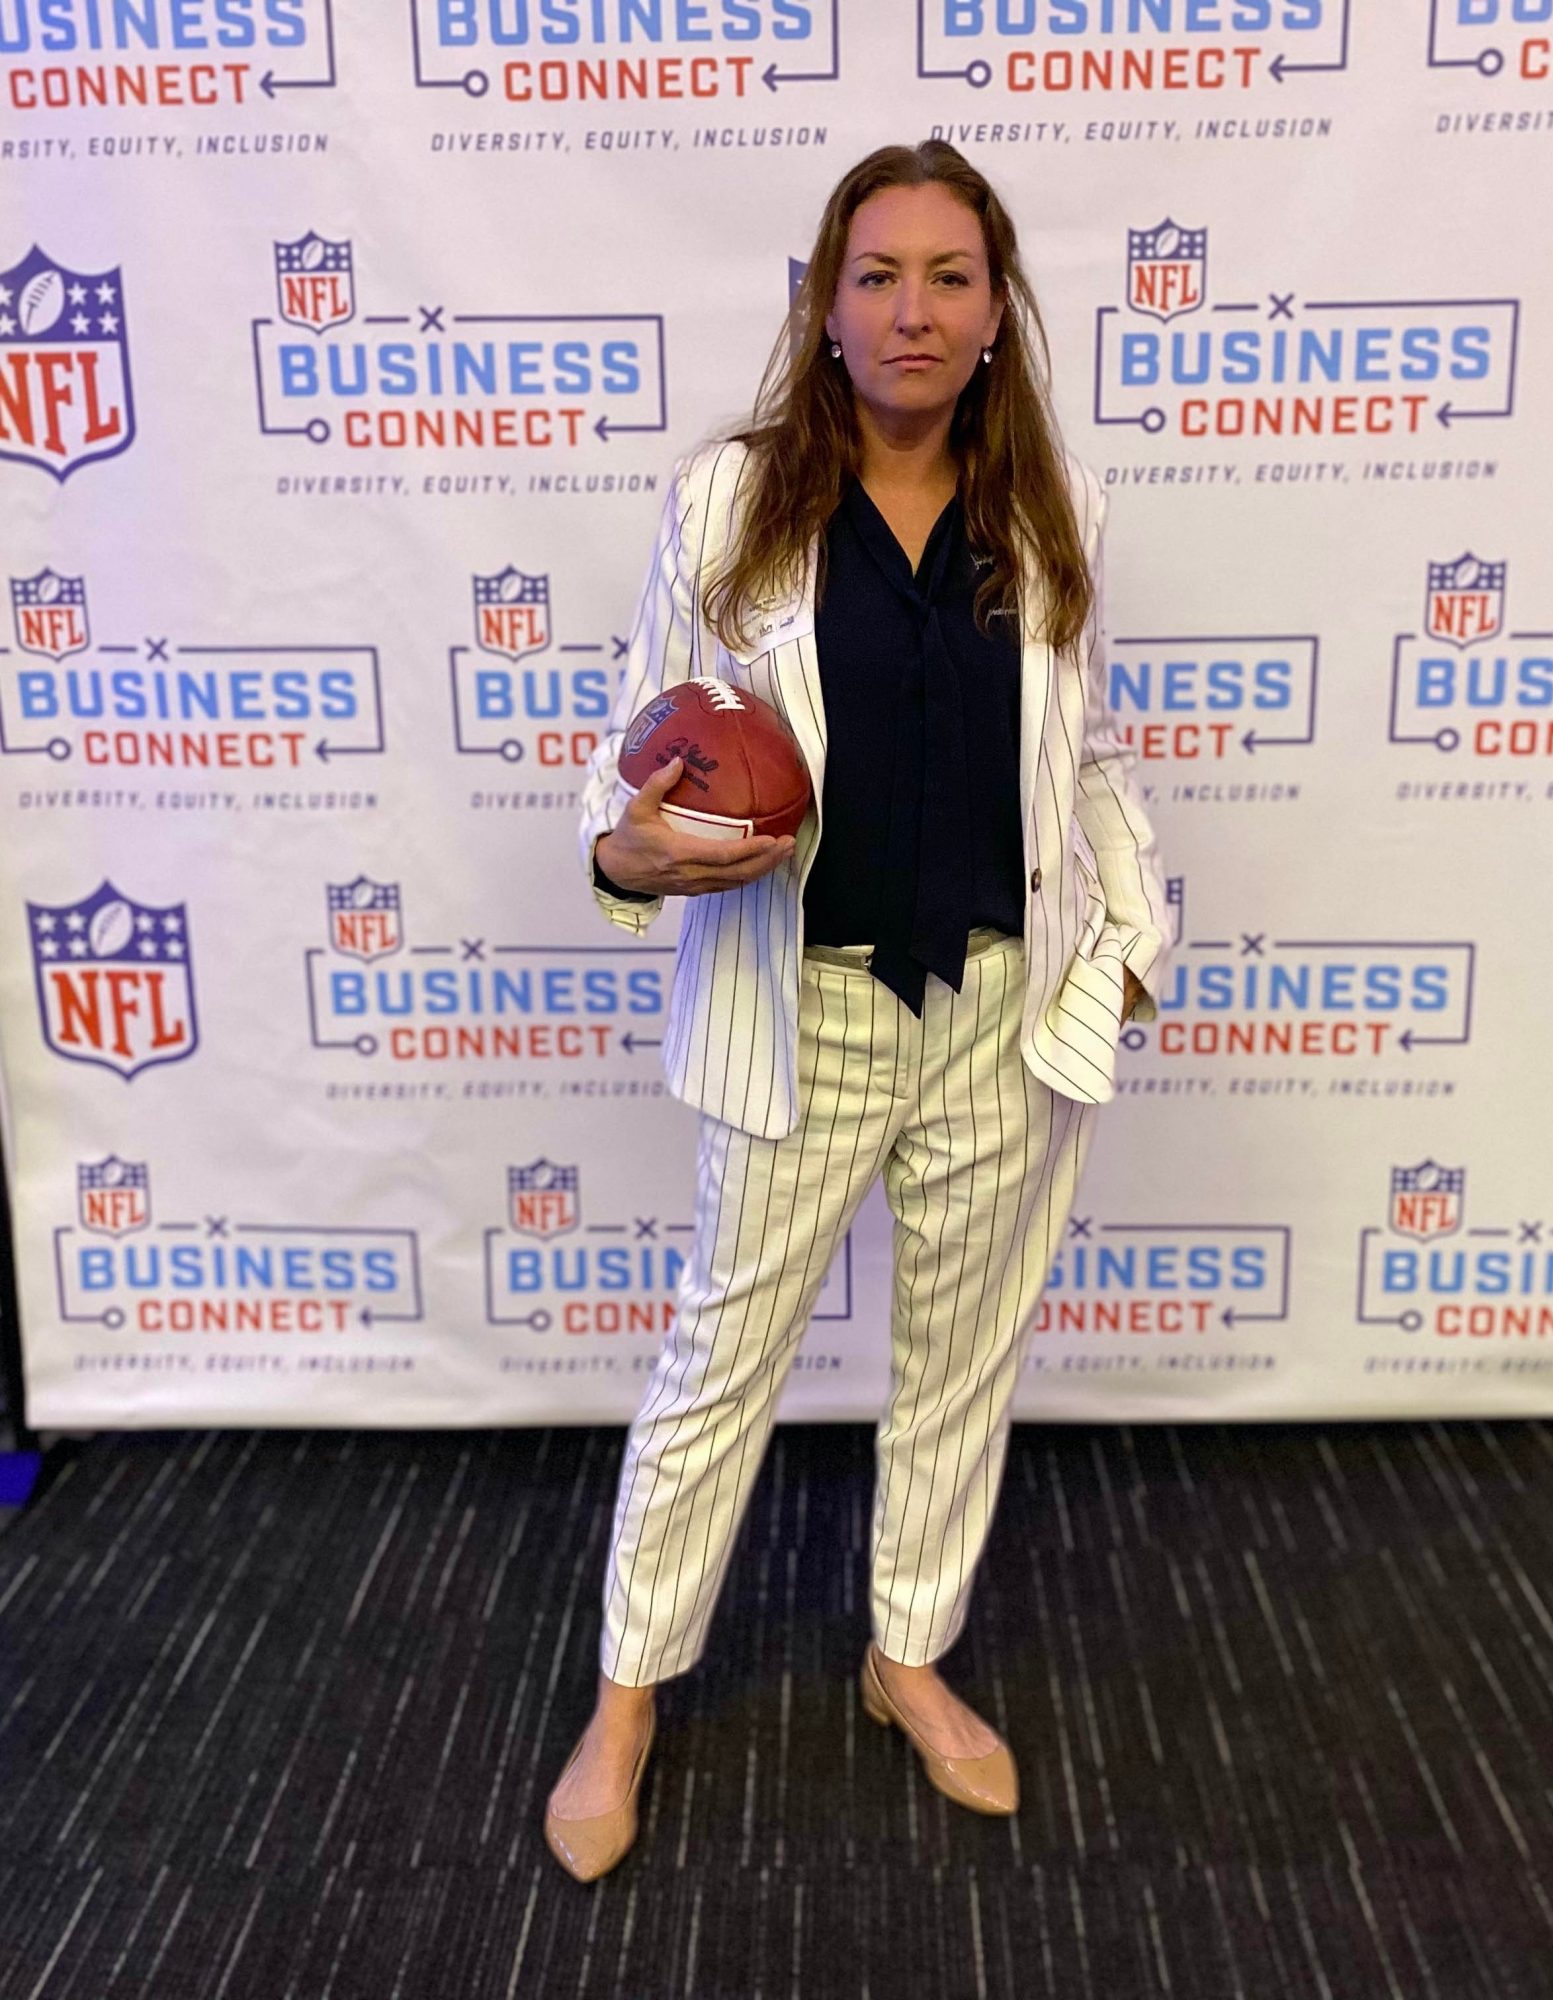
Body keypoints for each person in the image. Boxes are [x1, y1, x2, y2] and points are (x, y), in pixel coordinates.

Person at [544, 138, 1172, 1884]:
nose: (912, 309)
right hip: (803, 1007)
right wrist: (625, 853)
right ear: (825, 306)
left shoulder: (1055, 507)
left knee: (959, 1364)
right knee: (718, 1364)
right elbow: (639, 746)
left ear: (996, 311)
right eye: (876, 275)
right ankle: (626, 1695)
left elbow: (1085, 764)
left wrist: (1130, 940)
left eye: (948, 277)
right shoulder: (729, 501)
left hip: (999, 1009)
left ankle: (907, 1656)